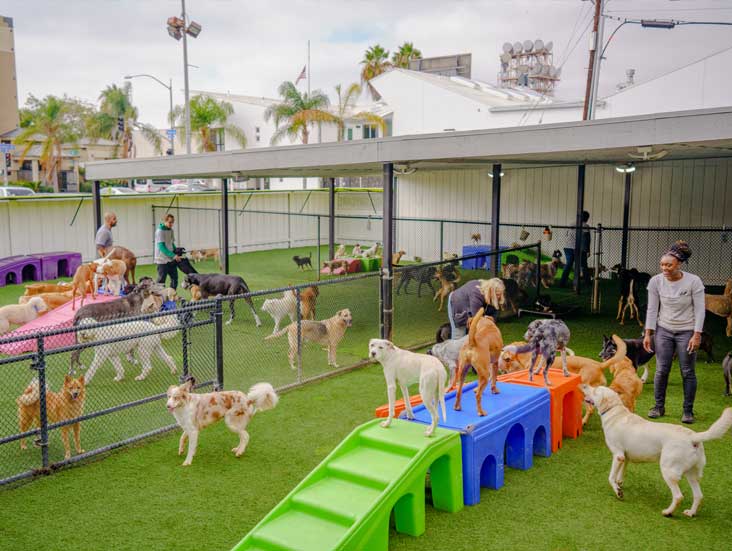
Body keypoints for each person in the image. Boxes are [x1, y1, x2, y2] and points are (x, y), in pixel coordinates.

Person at [643, 241, 705, 424]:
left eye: (669, 265)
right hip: (664, 330)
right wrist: (648, 333)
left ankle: (688, 411)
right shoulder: (656, 281)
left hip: (687, 331)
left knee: (687, 371)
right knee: (661, 370)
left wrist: (697, 334)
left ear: (679, 264)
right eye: (662, 264)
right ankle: (658, 407)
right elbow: (652, 309)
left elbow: (700, 309)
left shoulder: (694, 281)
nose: (665, 268)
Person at [560, 210, 591, 288]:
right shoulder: (585, 225)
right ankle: (587, 283)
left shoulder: (572, 223)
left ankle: (562, 283)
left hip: (567, 246)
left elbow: (566, 235)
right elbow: (586, 239)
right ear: (586, 218)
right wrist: (587, 250)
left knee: (568, 264)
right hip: (578, 248)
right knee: (583, 265)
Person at [154, 214, 181, 289]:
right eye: (170, 222)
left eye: (173, 222)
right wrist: (173, 255)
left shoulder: (171, 230)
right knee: (161, 281)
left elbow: (171, 243)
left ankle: (172, 296)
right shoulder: (160, 231)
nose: (171, 224)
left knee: (174, 279)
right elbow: (162, 247)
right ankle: (159, 298)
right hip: (162, 260)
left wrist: (176, 251)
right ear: (164, 221)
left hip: (171, 259)